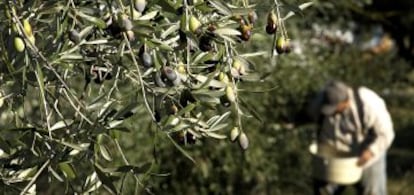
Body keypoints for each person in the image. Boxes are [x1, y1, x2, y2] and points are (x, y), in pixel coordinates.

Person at [309, 80, 395, 195]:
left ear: (346, 102)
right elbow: (309, 118)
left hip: (367, 158)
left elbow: (386, 134)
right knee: (323, 191)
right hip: (333, 159)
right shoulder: (321, 101)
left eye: (335, 108)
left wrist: (370, 151)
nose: (331, 112)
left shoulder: (369, 102)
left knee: (373, 192)